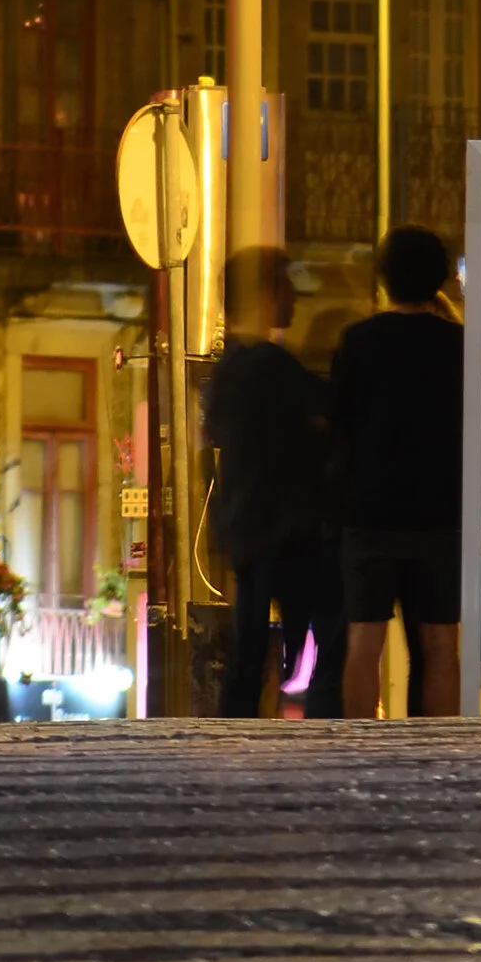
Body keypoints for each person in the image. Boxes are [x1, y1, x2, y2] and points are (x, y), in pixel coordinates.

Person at [330, 223, 466, 718]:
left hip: (369, 513)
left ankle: (360, 751)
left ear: (384, 279)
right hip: (441, 512)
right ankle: (437, 755)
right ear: (442, 278)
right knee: (438, 645)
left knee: (364, 641)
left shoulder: (358, 341)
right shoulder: (459, 346)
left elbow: (338, 424)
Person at [201, 244, 342, 716]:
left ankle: (237, 730)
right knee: (326, 637)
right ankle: (321, 726)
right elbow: (327, 417)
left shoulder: (231, 370)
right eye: (285, 287)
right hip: (286, 529)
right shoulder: (271, 366)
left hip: (249, 529)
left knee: (250, 645)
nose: (296, 299)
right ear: (264, 294)